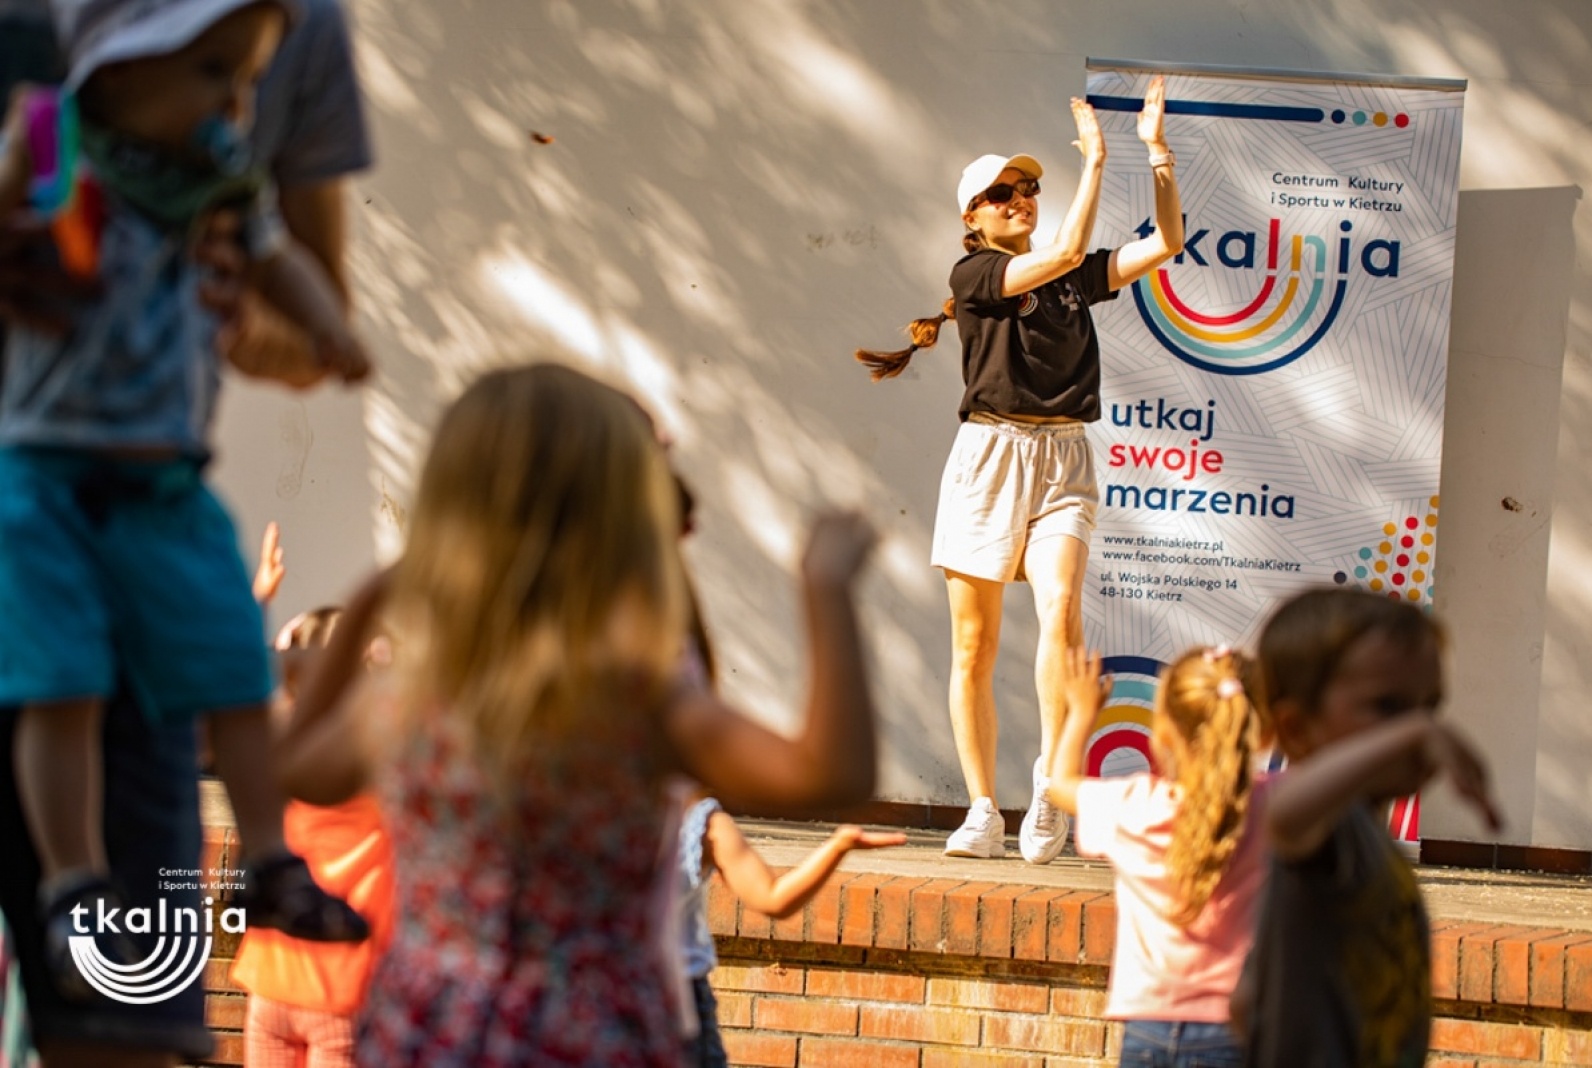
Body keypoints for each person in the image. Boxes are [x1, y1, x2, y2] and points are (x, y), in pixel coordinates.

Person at [274, 362, 881, 1068]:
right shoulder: (631, 698)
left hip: (428, 1027)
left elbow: (300, 771)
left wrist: (370, 600)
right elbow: (829, 777)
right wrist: (827, 591)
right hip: (586, 1036)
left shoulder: (416, 695)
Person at [0, 0, 374, 1060]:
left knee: (233, 666)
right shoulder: (48, 131)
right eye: (216, 74)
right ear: (118, 65)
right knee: (59, 693)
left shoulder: (260, 84)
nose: (238, 103)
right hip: (45, 491)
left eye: (246, 77)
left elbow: (296, 303)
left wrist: (323, 330)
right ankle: (72, 882)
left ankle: (266, 862)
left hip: (160, 489)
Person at [855, 77, 1184, 863]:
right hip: (990, 457)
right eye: (1003, 194)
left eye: (1030, 189)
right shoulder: (973, 277)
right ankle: (979, 809)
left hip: (1064, 455)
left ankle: (1047, 780)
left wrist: (1158, 155)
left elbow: (1165, 244)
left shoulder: (1069, 276)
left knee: (1063, 611)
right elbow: (1068, 249)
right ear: (972, 216)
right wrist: (1097, 160)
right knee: (975, 644)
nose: (1021, 200)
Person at [1236, 588, 1502, 1067]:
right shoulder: (1326, 829)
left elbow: (1246, 1000)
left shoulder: (1373, 841)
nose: (1421, 730)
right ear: (1296, 729)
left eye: (1430, 707)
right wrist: (1417, 732)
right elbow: (1286, 812)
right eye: (1389, 709)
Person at [1047, 645, 1269, 1067]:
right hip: (1239, 1030)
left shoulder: (1135, 804)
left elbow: (1061, 783)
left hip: (1146, 1029)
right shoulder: (1273, 805)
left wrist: (1080, 712)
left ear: (1161, 733)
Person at [232, 604, 395, 1068]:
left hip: (271, 978)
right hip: (342, 985)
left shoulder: (283, 757)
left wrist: (268, 617)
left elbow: (253, 695)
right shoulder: (375, 761)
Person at [678, 797, 905, 1067]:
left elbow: (771, 897)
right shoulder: (700, 822)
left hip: (677, 1000)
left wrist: (837, 847)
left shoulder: (700, 823)